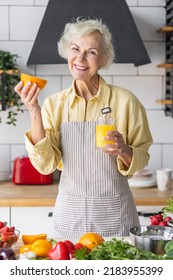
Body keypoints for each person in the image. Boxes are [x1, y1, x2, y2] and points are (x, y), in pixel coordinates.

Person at [15, 18, 153, 238]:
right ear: (66, 52)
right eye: (75, 49)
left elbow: (143, 155)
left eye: (91, 52)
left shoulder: (126, 101)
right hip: (70, 216)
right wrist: (34, 111)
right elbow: (45, 165)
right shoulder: (54, 104)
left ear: (103, 58)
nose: (80, 58)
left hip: (115, 217)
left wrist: (124, 150)